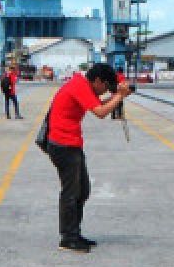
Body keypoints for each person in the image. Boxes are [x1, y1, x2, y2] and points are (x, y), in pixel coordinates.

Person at [44, 62, 131, 253]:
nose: (104, 91)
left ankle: (74, 232)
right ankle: (68, 238)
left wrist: (117, 94)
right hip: (63, 144)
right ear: (98, 80)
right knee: (71, 191)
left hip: (70, 143)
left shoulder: (83, 85)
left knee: (82, 190)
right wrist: (119, 95)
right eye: (106, 87)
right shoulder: (79, 86)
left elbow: (99, 104)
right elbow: (100, 112)